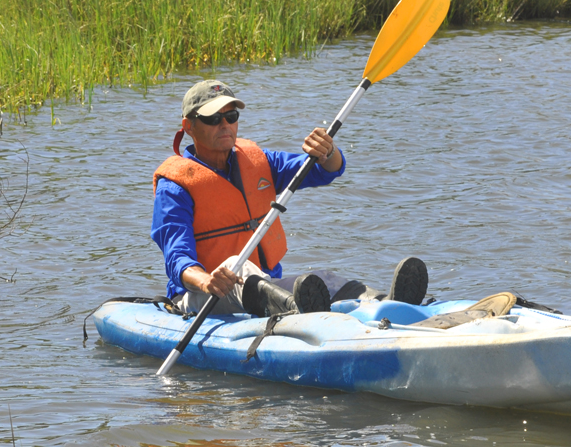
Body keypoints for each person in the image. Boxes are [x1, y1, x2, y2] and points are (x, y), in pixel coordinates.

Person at [151, 79, 428, 317]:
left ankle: (388, 305)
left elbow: (323, 171)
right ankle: (303, 312)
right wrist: (206, 280)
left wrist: (327, 152)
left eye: (231, 116)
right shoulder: (174, 187)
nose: (225, 125)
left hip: (266, 286)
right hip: (204, 296)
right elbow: (177, 259)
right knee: (239, 272)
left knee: (323, 279)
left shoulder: (257, 161)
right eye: (213, 119)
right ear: (189, 127)